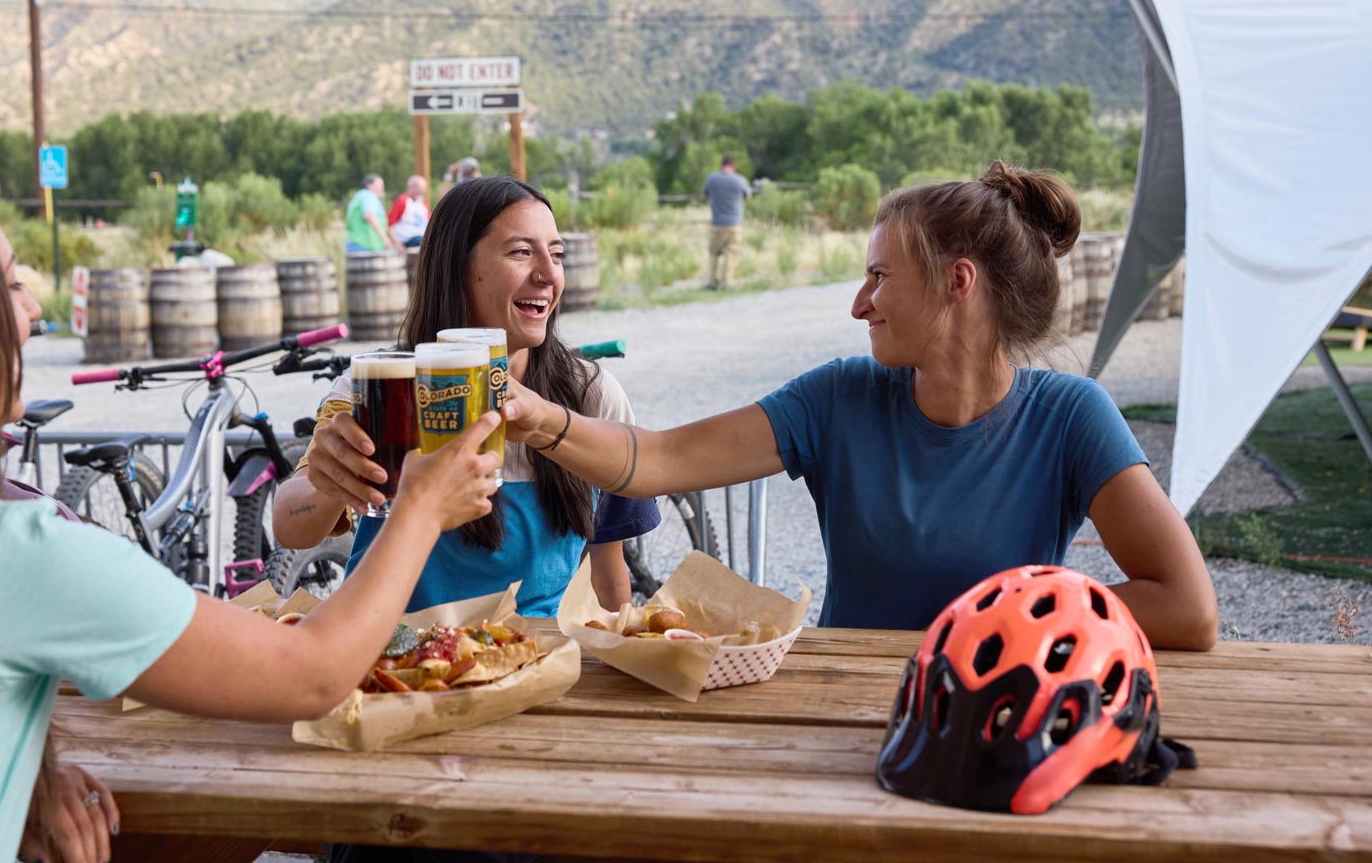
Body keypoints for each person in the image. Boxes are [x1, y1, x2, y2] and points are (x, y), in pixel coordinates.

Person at [0, 163, 500, 863]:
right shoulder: (4, 548)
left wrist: (14, 762)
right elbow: (310, 673)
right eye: (3, 282)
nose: (32, 310)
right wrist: (420, 506)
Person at [503, 162, 1220, 651]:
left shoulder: (1072, 416)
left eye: (880, 275)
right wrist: (538, 416)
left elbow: (1188, 607)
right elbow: (658, 459)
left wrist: (1015, 617)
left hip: (994, 708)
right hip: (838, 703)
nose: (859, 302)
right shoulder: (840, 397)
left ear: (956, 283)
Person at [277, 176, 660, 616]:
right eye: (521, 252)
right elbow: (291, 527)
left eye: (557, 255)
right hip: (399, 664)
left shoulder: (592, 395)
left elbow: (609, 576)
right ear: (455, 266)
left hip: (537, 665)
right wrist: (329, 483)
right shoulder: (385, 388)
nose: (549, 274)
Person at [702, 153, 753, 289]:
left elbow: (705, 195)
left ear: (721, 165)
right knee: (731, 254)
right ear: (734, 166)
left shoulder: (712, 179)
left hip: (716, 223)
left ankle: (712, 281)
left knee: (714, 254)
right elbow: (748, 197)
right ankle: (727, 282)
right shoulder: (740, 180)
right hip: (734, 224)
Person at [345, 173, 395, 252]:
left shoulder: (362, 195)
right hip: (362, 245)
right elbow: (369, 215)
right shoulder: (368, 195)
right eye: (380, 185)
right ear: (369, 185)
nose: (382, 188)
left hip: (361, 244)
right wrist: (385, 239)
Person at [388, 174, 430, 248]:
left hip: (421, 238)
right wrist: (396, 243)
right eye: (422, 188)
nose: (424, 191)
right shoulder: (403, 200)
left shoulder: (423, 204)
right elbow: (389, 223)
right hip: (407, 239)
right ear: (413, 187)